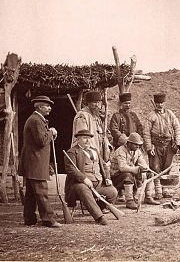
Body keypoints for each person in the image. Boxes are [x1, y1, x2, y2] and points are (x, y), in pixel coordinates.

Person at [18, 95, 61, 228]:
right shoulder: (36, 120)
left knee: (31, 193)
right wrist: (51, 132)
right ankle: (49, 219)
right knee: (42, 191)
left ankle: (30, 219)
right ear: (39, 107)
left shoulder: (36, 119)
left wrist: (48, 132)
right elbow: (41, 141)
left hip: (33, 161)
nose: (50, 108)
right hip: (35, 162)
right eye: (47, 106)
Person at [64, 129, 118, 225]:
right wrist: (84, 179)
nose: (88, 141)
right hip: (78, 185)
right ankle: (99, 217)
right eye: (85, 138)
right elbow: (71, 169)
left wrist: (107, 178)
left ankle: (101, 207)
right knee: (83, 189)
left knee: (112, 192)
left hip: (98, 184)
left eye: (89, 138)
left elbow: (104, 166)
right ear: (78, 139)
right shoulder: (72, 152)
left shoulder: (95, 151)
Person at [144, 93, 180, 199]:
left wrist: (178, 142)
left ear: (164, 103)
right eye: (157, 103)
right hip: (155, 146)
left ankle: (165, 189)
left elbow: (177, 128)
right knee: (155, 168)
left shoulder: (170, 114)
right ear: (155, 103)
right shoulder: (151, 116)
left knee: (167, 167)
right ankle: (158, 191)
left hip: (168, 145)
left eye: (161, 103)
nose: (160, 105)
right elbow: (146, 133)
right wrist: (148, 147)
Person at [110, 132, 160, 209]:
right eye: (135, 144)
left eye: (139, 144)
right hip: (116, 176)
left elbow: (141, 161)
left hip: (130, 172)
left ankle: (148, 197)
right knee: (128, 175)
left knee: (149, 174)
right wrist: (136, 169)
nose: (138, 146)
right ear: (129, 143)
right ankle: (129, 200)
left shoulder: (137, 151)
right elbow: (122, 168)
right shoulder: (121, 151)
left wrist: (145, 168)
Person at [71, 90, 111, 162]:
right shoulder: (82, 116)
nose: (97, 105)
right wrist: (90, 152)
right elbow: (82, 138)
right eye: (94, 102)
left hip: (97, 152)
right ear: (88, 103)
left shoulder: (96, 117)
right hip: (86, 154)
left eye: (99, 102)